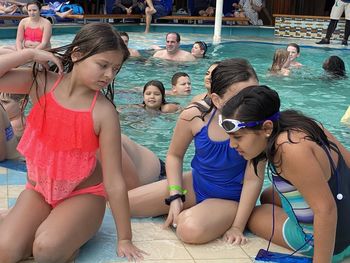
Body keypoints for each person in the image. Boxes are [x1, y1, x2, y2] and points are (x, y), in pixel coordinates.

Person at [0, 23, 145, 262]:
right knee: (5, 251)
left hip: (83, 195)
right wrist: (29, 54)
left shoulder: (103, 112)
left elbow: (114, 180)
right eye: (103, 65)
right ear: (77, 54)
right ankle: (45, 224)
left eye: (115, 69)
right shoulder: (42, 83)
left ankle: (69, 237)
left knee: (46, 250)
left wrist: (125, 238)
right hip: (39, 191)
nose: (109, 75)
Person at [128, 58, 265, 245]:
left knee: (189, 230)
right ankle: (193, 209)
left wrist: (237, 226)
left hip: (230, 197)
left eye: (253, 94)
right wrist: (175, 196)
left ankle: (208, 215)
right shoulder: (194, 115)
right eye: (240, 98)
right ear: (217, 99)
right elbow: (174, 156)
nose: (250, 103)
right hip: (195, 183)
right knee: (123, 204)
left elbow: (252, 180)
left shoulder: (258, 126)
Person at [221, 85, 350, 263]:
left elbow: (326, 210)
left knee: (255, 214)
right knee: (267, 195)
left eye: (238, 137)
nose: (232, 145)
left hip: (333, 244)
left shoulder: (289, 150)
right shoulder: (300, 123)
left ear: (267, 128)